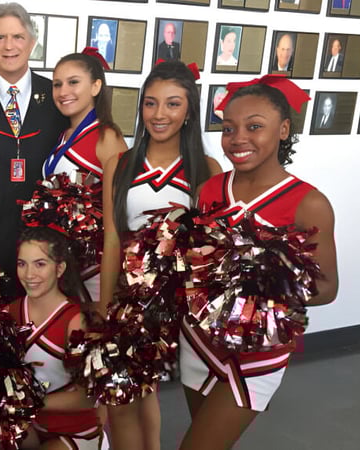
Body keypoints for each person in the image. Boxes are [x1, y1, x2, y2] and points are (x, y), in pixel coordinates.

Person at [179, 78, 338, 450]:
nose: (238, 138)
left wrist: (259, 286)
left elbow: (327, 288)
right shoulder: (209, 190)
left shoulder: (309, 203)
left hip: (257, 353)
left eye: (254, 127)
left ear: (283, 130)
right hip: (199, 342)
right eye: (228, 128)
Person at [102, 60, 222, 450]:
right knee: (123, 400)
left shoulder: (207, 169)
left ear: (189, 111)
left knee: (188, 398)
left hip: (183, 306)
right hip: (132, 303)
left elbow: (211, 249)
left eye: (173, 104)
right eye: (151, 103)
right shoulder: (120, 164)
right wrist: (105, 309)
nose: (159, 114)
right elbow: (112, 240)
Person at [0, 2, 68, 293]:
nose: (9, 46)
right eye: (0, 37)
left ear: (32, 42)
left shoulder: (57, 96)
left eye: (18, 37)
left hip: (44, 245)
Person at [9, 227, 106, 450]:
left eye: (40, 264)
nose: (29, 274)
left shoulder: (76, 321)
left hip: (76, 434)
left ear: (59, 268)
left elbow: (87, 397)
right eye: (22, 264)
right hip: (30, 429)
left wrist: (29, 402)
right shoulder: (10, 312)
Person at [44, 50, 127, 301]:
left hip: (95, 267)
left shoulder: (107, 137)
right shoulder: (64, 135)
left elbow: (119, 212)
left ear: (95, 86)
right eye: (57, 84)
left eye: (73, 82)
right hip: (63, 260)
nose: (63, 91)